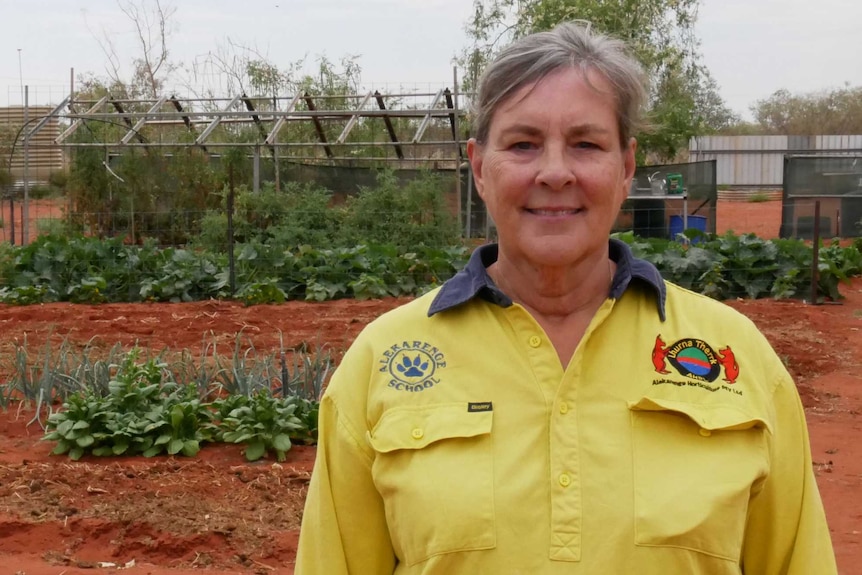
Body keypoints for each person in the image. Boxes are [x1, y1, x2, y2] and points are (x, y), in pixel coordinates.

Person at [295, 22, 837, 575]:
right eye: (524, 144)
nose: (554, 172)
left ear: (625, 167)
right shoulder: (382, 360)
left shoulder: (736, 354)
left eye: (585, 144)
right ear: (480, 167)